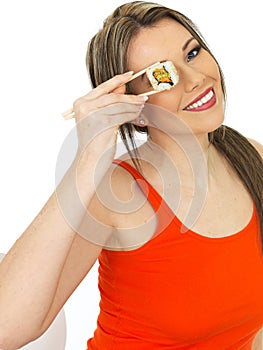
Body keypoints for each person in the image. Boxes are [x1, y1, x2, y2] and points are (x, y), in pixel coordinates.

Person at [0, 1, 263, 349]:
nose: (196, 79)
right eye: (163, 74)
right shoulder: (116, 194)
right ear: (133, 107)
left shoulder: (252, 157)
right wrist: (88, 159)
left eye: (193, 53)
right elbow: (5, 329)